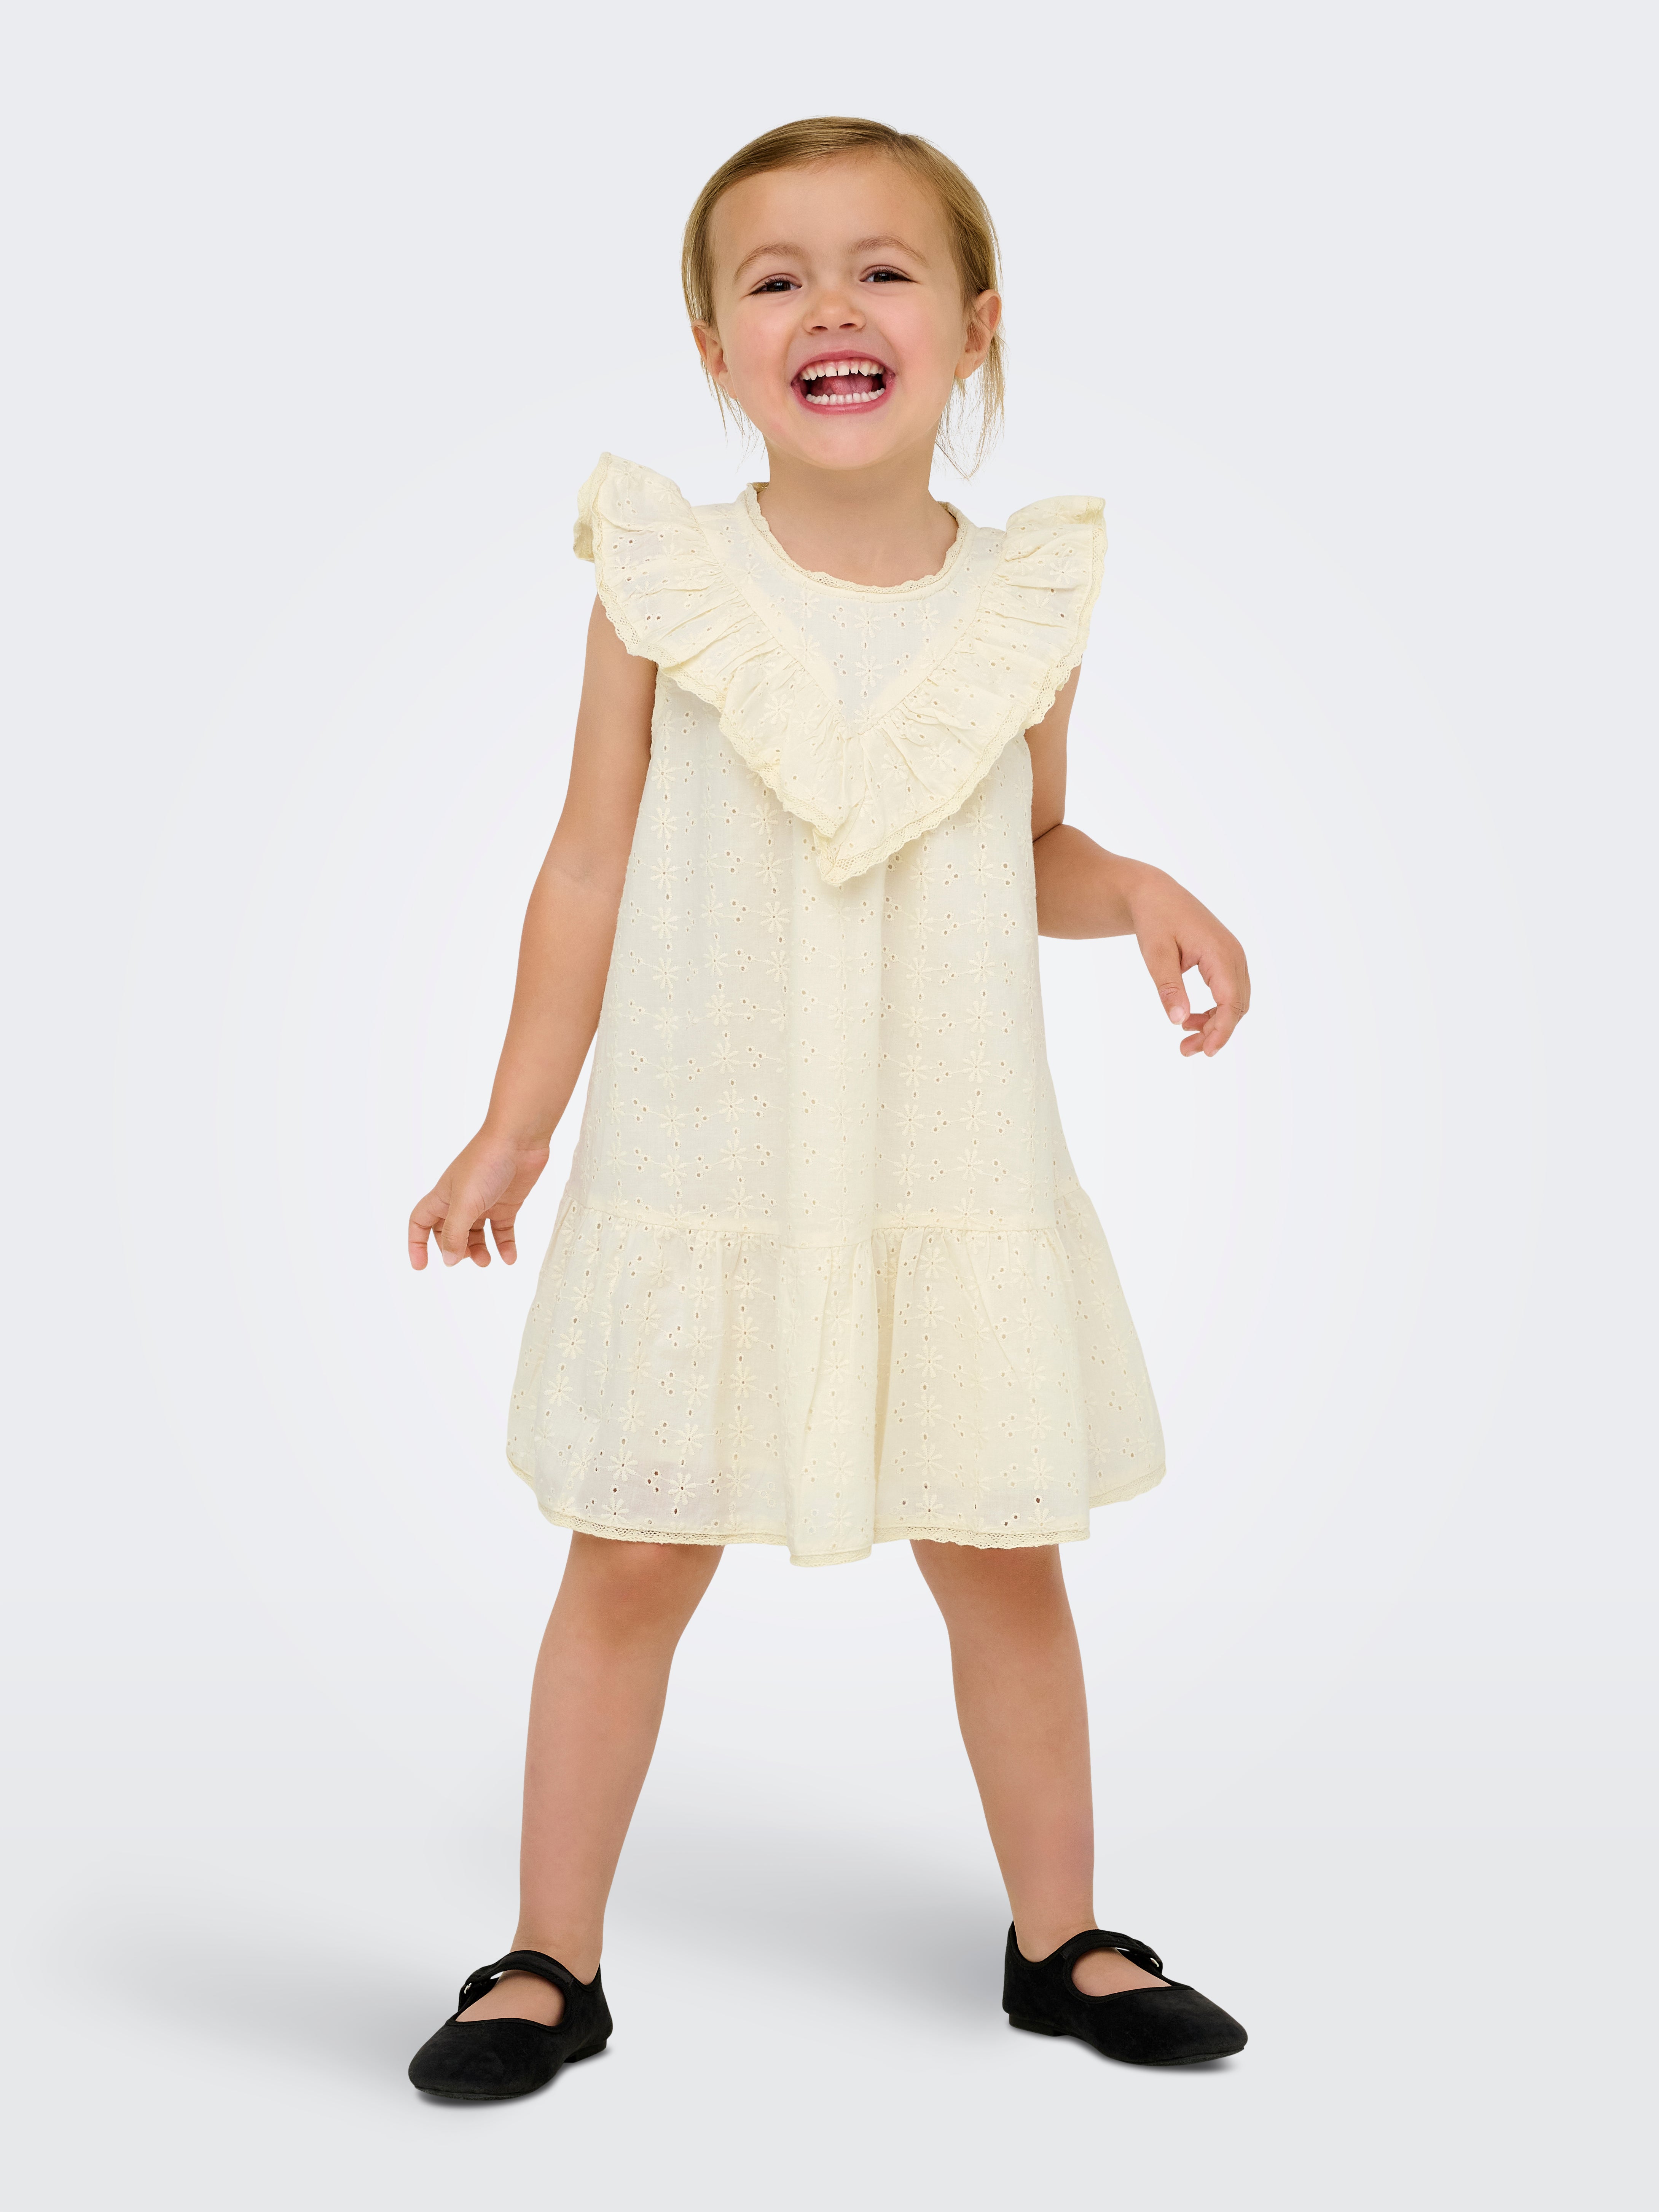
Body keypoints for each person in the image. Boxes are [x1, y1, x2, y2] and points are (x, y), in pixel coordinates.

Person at [405, 116, 1251, 2102]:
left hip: (939, 1156)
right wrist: (516, 1121)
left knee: (1001, 1553)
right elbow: (589, 865)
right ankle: (548, 1954)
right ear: (716, 347)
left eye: (882, 270)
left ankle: (1062, 1936)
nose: (831, 306)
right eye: (774, 278)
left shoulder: (1024, 599)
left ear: (973, 327)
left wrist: (1131, 884)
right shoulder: (665, 579)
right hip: (708, 1149)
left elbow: (1016, 844)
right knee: (629, 1556)